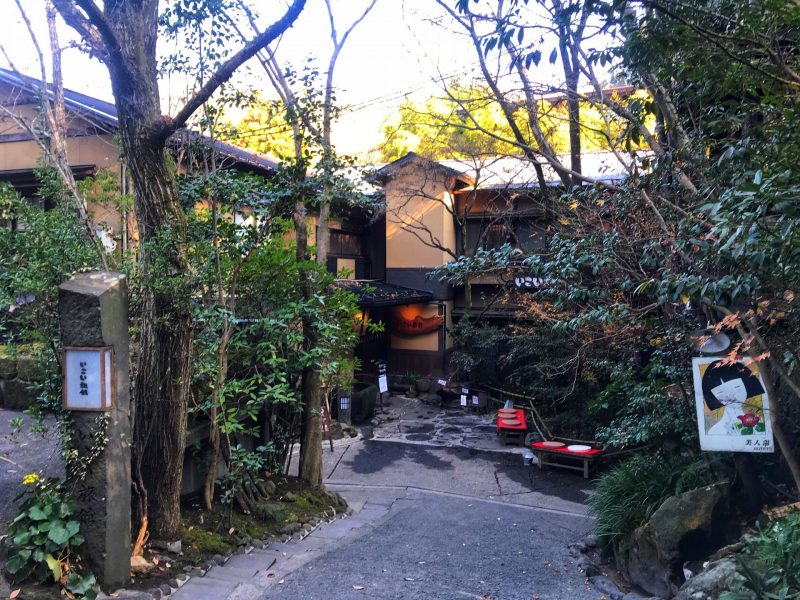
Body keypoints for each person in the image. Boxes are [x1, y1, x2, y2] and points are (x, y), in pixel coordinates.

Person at [701, 361, 766, 436]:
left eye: (737, 387)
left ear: (745, 385)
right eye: (720, 392)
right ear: (714, 395)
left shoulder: (759, 425)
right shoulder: (714, 431)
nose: (730, 396)